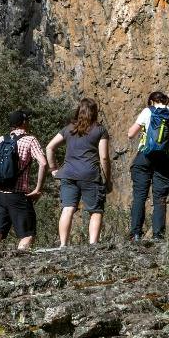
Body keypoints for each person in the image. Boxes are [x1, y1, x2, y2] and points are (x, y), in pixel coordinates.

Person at [0, 109, 47, 251]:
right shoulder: (30, 140)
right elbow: (43, 163)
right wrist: (38, 189)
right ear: (24, 122)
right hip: (18, 196)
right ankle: (21, 264)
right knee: (27, 235)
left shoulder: (1, 140)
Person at [46, 97, 110, 247]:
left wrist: (53, 168)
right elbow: (104, 158)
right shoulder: (100, 130)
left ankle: (63, 245)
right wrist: (107, 179)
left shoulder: (69, 129)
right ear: (95, 112)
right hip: (90, 175)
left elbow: (49, 147)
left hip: (68, 174)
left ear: (79, 111)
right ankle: (93, 244)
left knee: (68, 208)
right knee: (95, 210)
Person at [126, 90, 169, 242]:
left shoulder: (147, 111)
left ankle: (136, 234)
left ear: (151, 101)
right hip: (165, 160)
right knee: (160, 199)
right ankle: (158, 235)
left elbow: (131, 134)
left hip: (144, 157)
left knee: (139, 196)